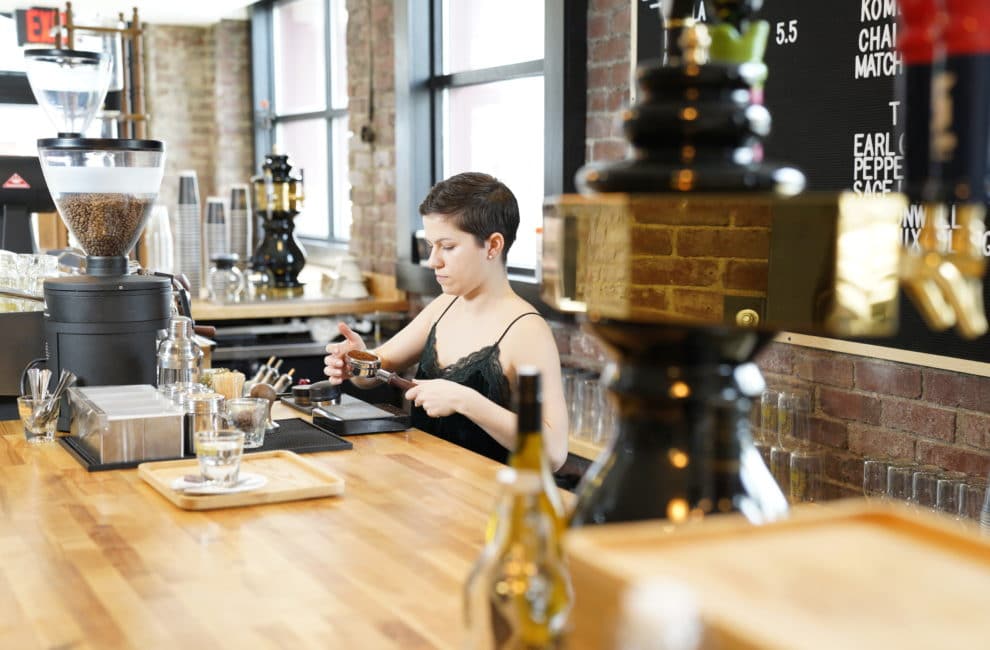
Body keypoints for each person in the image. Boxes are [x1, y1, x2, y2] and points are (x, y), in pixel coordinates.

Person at [323, 172, 568, 470]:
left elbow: (554, 453)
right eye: (430, 246)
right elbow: (375, 370)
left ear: (493, 245)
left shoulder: (527, 331)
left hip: (487, 503)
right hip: (430, 490)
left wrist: (466, 401)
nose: (433, 261)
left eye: (447, 247)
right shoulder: (443, 306)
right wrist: (357, 362)